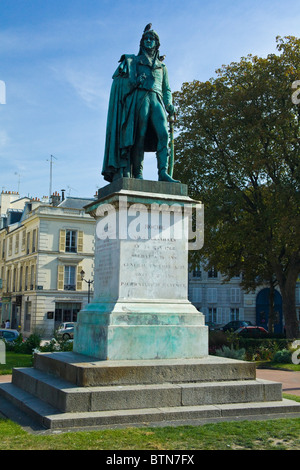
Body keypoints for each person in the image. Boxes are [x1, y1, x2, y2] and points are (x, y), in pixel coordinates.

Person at [102, 24, 179, 184]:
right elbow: (123, 83)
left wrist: (169, 105)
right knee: (140, 136)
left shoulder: (162, 66)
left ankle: (163, 173)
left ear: (157, 43)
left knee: (163, 135)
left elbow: (166, 89)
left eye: (152, 39)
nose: (149, 41)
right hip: (140, 99)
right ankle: (138, 173)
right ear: (142, 42)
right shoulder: (135, 61)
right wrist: (135, 82)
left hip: (157, 99)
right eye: (146, 38)